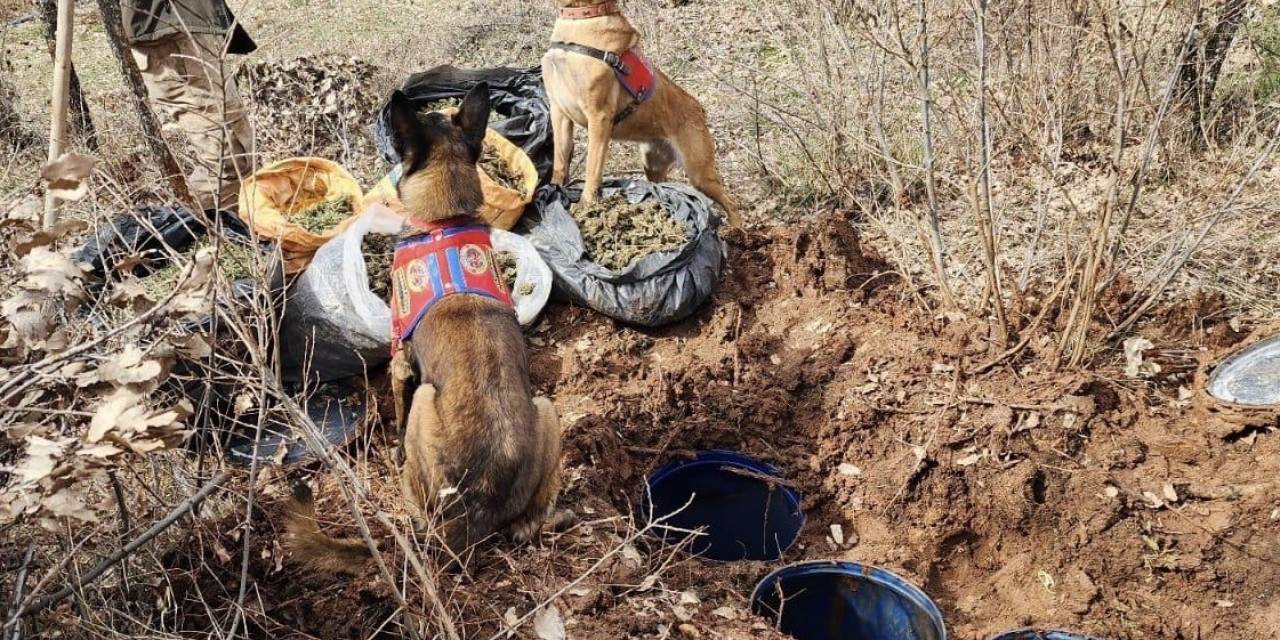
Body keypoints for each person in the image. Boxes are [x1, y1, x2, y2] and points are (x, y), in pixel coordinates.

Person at [121, 0, 256, 211]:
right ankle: (205, 225)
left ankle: (228, 224)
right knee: (229, 157)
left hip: (175, 27)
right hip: (171, 30)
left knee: (232, 153)